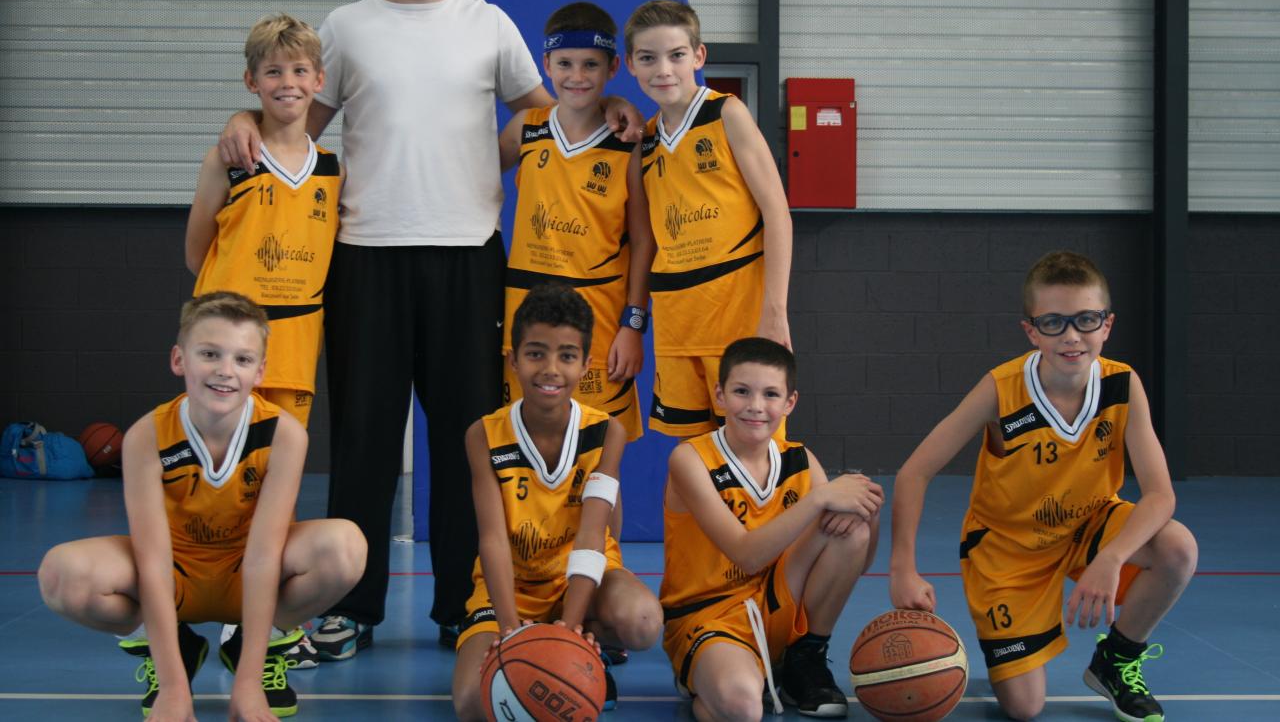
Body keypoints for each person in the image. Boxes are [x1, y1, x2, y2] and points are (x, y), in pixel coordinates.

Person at [216, 0, 642, 657]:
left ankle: (460, 603)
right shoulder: (347, 27)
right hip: (365, 256)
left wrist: (611, 107)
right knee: (367, 438)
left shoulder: (489, 25)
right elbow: (295, 121)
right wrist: (243, 116)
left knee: (465, 438)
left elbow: (547, 110)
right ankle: (353, 608)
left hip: (470, 257)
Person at [889, 250, 1198, 722]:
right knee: (1024, 708)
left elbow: (1161, 495)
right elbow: (915, 471)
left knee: (1177, 547)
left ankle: (1115, 661)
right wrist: (903, 567)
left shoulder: (1122, 384)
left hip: (1089, 525)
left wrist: (1111, 558)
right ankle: (1005, 652)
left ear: (1107, 325)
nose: (1072, 335)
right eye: (1053, 322)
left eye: (1086, 320)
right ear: (1031, 330)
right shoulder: (1001, 389)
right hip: (1007, 550)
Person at [37, 292, 366, 721]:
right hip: (176, 575)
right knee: (61, 575)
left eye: (243, 359)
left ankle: (257, 644)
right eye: (210, 353)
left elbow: (265, 556)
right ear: (179, 359)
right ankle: (172, 648)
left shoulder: (283, 435)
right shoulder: (147, 436)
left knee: (345, 546)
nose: (225, 371)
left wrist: (246, 689)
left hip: (245, 575)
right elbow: (152, 560)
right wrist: (175, 690)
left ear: (260, 371)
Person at [451, 283, 661, 719]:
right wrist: (509, 630)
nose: (550, 369)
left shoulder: (608, 433)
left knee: (643, 621)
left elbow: (591, 535)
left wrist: (569, 629)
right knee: (473, 702)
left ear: (585, 364)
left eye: (566, 356)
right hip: (512, 589)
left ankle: (587, 646)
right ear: (512, 358)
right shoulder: (483, 436)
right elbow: (490, 539)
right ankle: (542, 639)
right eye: (535, 353)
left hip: (577, 580)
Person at [661, 337, 882, 720]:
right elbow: (746, 556)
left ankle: (804, 658)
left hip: (777, 601)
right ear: (720, 394)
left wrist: (868, 510)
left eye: (770, 394)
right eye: (742, 391)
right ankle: (708, 674)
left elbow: (855, 561)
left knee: (852, 528)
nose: (756, 406)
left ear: (789, 402)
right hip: (707, 615)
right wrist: (820, 498)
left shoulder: (799, 459)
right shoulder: (690, 459)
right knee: (743, 708)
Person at [623, 0, 793, 439]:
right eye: (648, 58)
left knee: (754, 454)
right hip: (678, 325)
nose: (664, 69)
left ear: (698, 57)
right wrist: (635, 321)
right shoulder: (644, 140)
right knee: (688, 462)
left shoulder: (726, 113)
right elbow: (647, 242)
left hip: (737, 321)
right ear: (631, 65)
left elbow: (777, 213)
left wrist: (775, 312)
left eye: (676, 55)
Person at [498, 0, 653, 451]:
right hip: (523, 308)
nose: (577, 76)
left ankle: (599, 527)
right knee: (522, 440)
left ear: (613, 68)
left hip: (599, 313)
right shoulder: (525, 128)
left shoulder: (629, 145)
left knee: (599, 448)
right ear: (546, 64)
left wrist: (634, 324)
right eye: (565, 63)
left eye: (591, 65)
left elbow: (644, 243)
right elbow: (470, 182)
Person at [186, 13, 341, 432]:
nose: (287, 82)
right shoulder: (229, 160)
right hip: (229, 346)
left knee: (279, 465)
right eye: (273, 71)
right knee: (223, 462)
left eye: (299, 70)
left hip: (294, 347)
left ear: (319, 80)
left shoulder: (331, 169)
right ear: (252, 81)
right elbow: (196, 254)